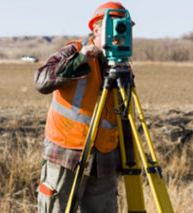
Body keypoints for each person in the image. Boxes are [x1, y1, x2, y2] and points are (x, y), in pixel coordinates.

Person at [34, 2, 135, 213]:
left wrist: (128, 160)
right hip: (66, 155)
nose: (119, 34)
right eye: (114, 27)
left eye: (123, 28)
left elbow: (125, 117)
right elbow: (41, 81)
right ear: (96, 29)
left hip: (104, 160)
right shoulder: (75, 51)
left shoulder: (122, 66)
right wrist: (80, 60)